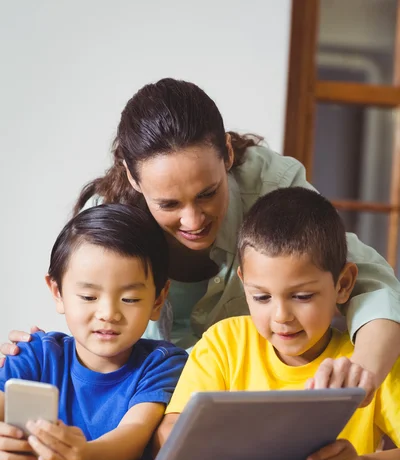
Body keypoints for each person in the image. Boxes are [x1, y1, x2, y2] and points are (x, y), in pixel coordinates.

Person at [3, 78, 400, 400]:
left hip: (247, 395)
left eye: (209, 193)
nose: (193, 220)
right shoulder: (105, 222)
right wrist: (40, 356)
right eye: (169, 203)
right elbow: (93, 323)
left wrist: (360, 372)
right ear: (131, 177)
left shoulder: (270, 184)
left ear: (227, 153)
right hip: (148, 400)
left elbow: (363, 276)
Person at [156, 187, 400, 460]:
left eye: (302, 296)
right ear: (243, 284)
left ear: (343, 284)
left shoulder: (366, 362)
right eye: (261, 297)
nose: (281, 317)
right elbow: (169, 433)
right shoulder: (224, 344)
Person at [0, 204, 188, 460]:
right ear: (57, 292)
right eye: (88, 295)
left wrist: (80, 456)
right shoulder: (35, 355)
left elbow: (135, 433)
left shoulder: (163, 363)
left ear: (158, 299)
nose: (108, 314)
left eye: (131, 299)